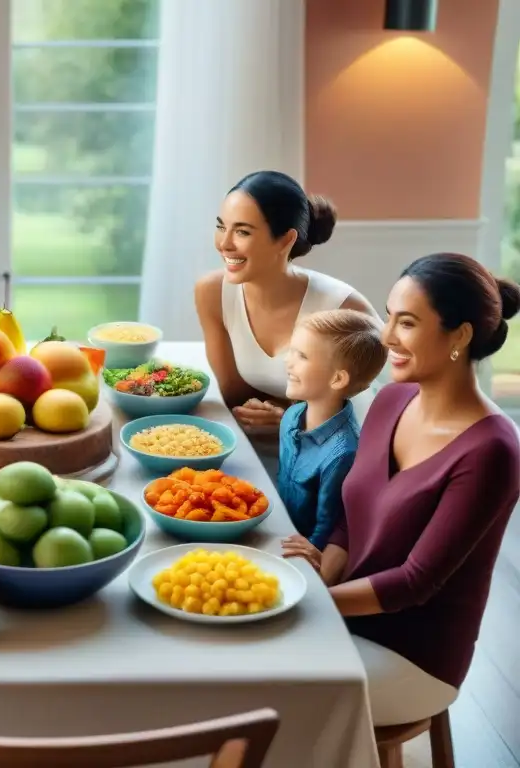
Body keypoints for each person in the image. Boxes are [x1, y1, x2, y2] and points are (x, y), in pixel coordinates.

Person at [282, 253, 520, 726]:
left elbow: (416, 581)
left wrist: (309, 598)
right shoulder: (392, 400)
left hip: (414, 656)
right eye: (389, 317)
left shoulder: (492, 450)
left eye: (406, 322)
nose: (386, 335)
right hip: (346, 615)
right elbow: (350, 518)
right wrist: (322, 574)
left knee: (259, 683)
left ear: (461, 336)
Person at [194, 170, 380, 474]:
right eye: (220, 227)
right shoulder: (212, 293)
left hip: (342, 463)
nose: (224, 244)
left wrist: (291, 419)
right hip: (261, 451)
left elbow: (353, 413)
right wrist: (292, 415)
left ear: (286, 239)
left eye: (242, 232)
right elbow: (236, 397)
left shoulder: (344, 309)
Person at [278, 309, 387, 550]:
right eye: (292, 351)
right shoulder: (291, 417)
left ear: (337, 379)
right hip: (275, 528)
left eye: (302, 356)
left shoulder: (343, 453)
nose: (288, 361)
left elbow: (327, 527)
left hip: (295, 551)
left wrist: (308, 555)